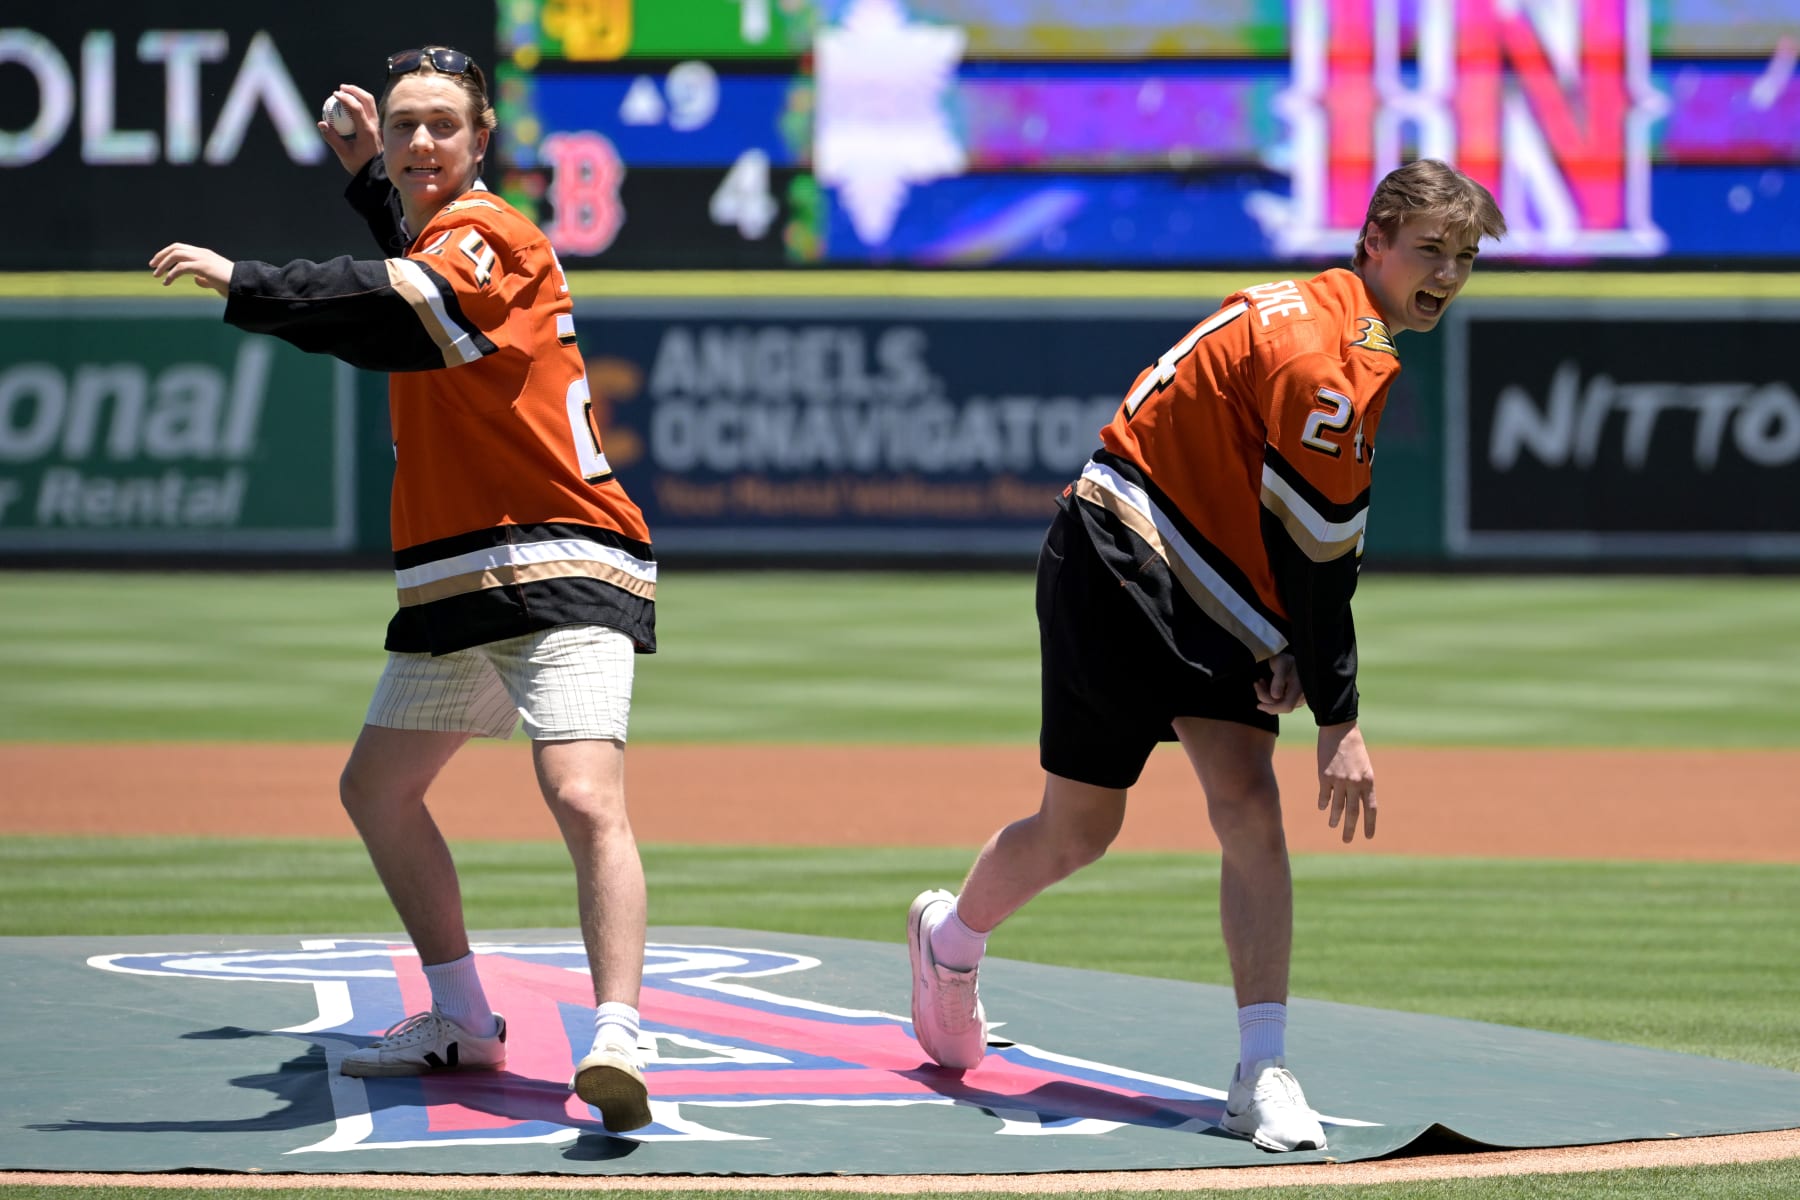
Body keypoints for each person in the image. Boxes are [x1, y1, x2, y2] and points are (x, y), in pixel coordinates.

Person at [906, 159, 1506, 1152]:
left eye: (1466, 257)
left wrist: (1284, 649)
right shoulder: (1327, 359)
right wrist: (1339, 717)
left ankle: (1261, 1070)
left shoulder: (1332, 325)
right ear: (1375, 244)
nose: (1446, 274)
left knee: (1246, 802)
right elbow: (1321, 555)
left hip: (1197, 570)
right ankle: (950, 944)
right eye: (1430, 250)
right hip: (1118, 550)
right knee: (1079, 830)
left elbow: (1279, 525)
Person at [150, 45, 658, 1134]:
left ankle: (619, 1032)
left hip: (560, 557)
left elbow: (401, 308)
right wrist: (367, 184)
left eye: (442, 125)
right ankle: (464, 1018)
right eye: (403, 125)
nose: (421, 141)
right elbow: (416, 271)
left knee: (580, 795)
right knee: (377, 790)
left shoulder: (494, 231)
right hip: (457, 577)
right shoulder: (444, 233)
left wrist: (248, 279)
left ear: (482, 142)